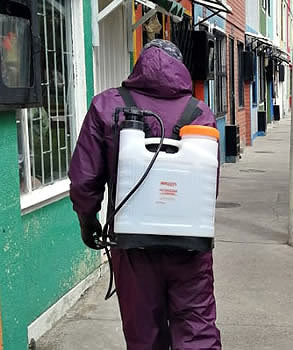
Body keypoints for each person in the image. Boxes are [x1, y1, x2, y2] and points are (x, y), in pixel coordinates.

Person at [68, 40, 222, 349]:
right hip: (190, 246)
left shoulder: (107, 106)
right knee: (197, 329)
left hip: (132, 245)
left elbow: (85, 179)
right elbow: (210, 184)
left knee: (144, 334)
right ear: (181, 69)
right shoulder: (199, 112)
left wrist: (88, 222)